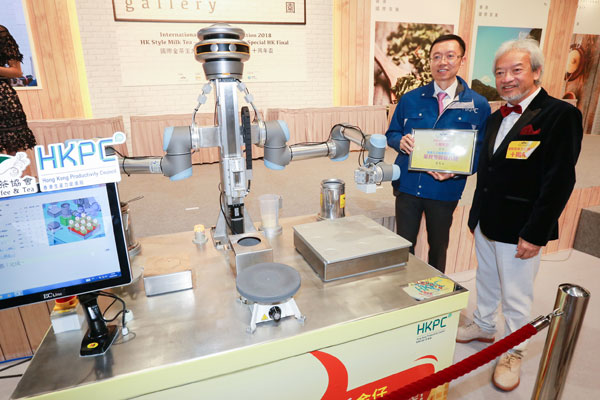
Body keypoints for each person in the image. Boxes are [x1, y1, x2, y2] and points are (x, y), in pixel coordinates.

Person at [457, 38, 583, 392]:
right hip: (486, 220)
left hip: (521, 228)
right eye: (500, 72)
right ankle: (483, 324)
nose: (507, 78)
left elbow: (559, 181)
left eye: (516, 70)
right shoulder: (498, 116)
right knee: (486, 280)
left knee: (516, 296)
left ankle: (514, 350)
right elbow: (491, 168)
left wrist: (536, 232)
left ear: (537, 72)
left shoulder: (560, 115)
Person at [385, 34, 491, 273]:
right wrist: (399, 141)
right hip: (408, 186)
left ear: (461, 60)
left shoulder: (478, 104)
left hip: (445, 190)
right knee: (403, 244)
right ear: (430, 62)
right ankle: (401, 293)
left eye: (450, 56)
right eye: (436, 57)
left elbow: (481, 151)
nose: (442, 62)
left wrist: (455, 171)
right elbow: (392, 132)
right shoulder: (410, 99)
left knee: (438, 246)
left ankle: (435, 295)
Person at [0, 25, 36, 155]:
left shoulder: (1, 33)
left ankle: (17, 175)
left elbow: (17, 71)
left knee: (13, 150)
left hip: (2, 99)